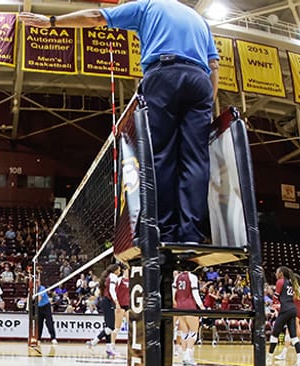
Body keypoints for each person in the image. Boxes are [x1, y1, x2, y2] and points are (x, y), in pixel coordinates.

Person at [19, 0, 219, 243]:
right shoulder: (199, 20)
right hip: (200, 84)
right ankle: (190, 235)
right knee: (196, 160)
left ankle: (162, 231)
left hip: (164, 75)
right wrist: (209, 103)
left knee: (160, 156)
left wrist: (52, 22)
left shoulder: (147, 7)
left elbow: (95, 17)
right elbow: (214, 65)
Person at [268, 267, 300, 366]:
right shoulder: (291, 282)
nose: (276, 273)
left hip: (285, 310)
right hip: (292, 310)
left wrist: (273, 304)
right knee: (294, 337)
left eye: (277, 271)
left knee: (274, 334)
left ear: (281, 273)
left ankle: (269, 359)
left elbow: (276, 297)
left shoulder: (280, 281)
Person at [88, 263, 125, 358]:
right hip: (108, 302)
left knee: (109, 326)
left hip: (105, 301)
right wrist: (117, 302)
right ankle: (93, 342)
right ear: (115, 270)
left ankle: (109, 349)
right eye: (119, 270)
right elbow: (112, 290)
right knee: (111, 327)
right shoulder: (113, 276)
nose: (120, 272)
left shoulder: (108, 277)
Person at [172, 269, 204, 366]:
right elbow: (195, 293)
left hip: (180, 307)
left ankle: (185, 356)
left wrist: (175, 303)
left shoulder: (177, 277)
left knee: (184, 333)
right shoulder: (192, 277)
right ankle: (188, 356)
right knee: (194, 332)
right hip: (190, 306)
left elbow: (174, 292)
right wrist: (201, 306)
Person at [35, 279, 57, 350]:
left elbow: (39, 299)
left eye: (38, 282)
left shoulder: (42, 288)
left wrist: (32, 304)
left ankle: (53, 338)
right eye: (35, 283)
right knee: (39, 324)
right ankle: (38, 339)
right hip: (39, 308)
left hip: (46, 307)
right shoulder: (33, 290)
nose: (37, 284)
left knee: (49, 323)